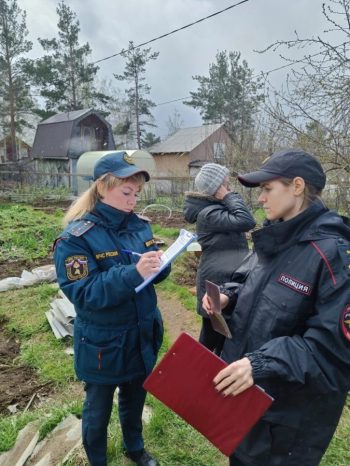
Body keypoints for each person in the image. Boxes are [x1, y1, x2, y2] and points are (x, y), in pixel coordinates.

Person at [202, 148, 350, 466]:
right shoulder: (274, 236)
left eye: (268, 189)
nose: (260, 199)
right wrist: (228, 296)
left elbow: (334, 351)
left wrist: (262, 364)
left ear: (297, 186)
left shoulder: (333, 255)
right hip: (246, 401)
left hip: (287, 423)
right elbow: (250, 280)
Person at [53, 151, 171, 466]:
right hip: (103, 342)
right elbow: (83, 292)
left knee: (135, 398)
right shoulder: (76, 238)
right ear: (103, 187)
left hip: (141, 332)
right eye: (126, 192)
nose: (133, 200)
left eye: (136, 193)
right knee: (98, 408)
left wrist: (160, 265)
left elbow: (152, 262)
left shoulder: (140, 226)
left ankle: (136, 449)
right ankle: (98, 460)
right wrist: (133, 273)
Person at [183, 162, 256, 354]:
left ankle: (211, 373)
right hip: (216, 281)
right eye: (226, 182)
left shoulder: (215, 209)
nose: (229, 185)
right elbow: (246, 221)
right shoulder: (209, 213)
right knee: (210, 337)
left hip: (225, 276)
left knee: (222, 335)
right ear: (217, 187)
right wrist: (229, 196)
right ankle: (193, 373)